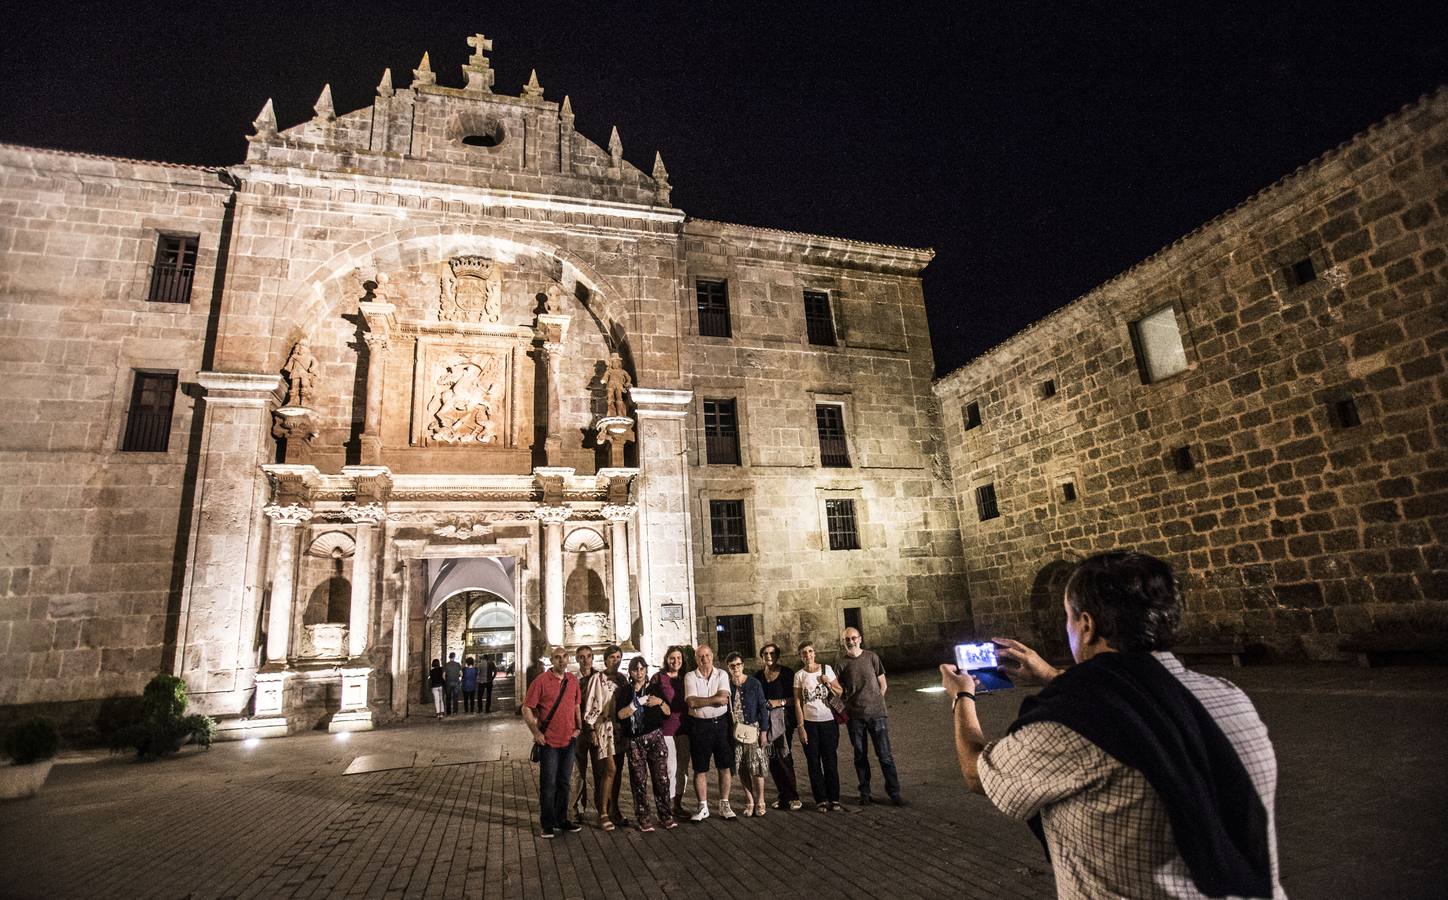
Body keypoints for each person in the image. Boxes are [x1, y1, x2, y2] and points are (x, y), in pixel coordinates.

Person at [940, 551, 1284, 899]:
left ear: (1087, 626)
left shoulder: (1071, 724)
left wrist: (962, 696)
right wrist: (1049, 675)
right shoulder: (1231, 697)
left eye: (1068, 617)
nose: (1068, 626)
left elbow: (975, 771)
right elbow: (1140, 694)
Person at [522, 646, 584, 839]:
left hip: (568, 740)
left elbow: (576, 706)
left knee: (564, 782)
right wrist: (536, 731)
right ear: (551, 660)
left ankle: (562, 819)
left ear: (568, 659)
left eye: (564, 657)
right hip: (549, 741)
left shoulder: (572, 681)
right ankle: (547, 823)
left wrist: (579, 727)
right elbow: (527, 708)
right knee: (548, 783)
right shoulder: (540, 682)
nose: (561, 660)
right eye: (557, 657)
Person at [837, 626, 903, 806]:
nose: (850, 642)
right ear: (844, 642)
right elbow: (838, 689)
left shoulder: (871, 657)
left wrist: (875, 701)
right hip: (854, 716)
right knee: (860, 755)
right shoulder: (841, 663)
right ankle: (864, 792)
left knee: (885, 755)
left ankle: (894, 791)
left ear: (860, 639)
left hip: (877, 714)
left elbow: (883, 683)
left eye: (853, 638)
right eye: (847, 639)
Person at [616, 655, 677, 832]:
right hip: (635, 740)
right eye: (636, 669)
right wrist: (636, 704)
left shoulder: (655, 688)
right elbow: (620, 715)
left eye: (642, 668)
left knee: (662, 778)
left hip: (655, 737)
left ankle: (666, 814)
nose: (639, 672)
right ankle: (643, 817)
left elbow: (667, 711)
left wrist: (659, 701)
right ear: (630, 672)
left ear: (646, 670)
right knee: (639, 779)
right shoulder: (626, 692)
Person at [684, 644, 734, 821]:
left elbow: (724, 699)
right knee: (700, 768)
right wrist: (714, 700)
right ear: (696, 659)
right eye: (700, 656)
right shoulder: (690, 676)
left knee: (724, 765)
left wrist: (702, 700)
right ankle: (703, 807)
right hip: (699, 726)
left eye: (707, 655)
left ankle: (724, 804)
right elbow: (691, 702)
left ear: (712, 656)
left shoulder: (722, 674)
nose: (704, 659)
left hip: (720, 725)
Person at [582, 644, 628, 830]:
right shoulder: (597, 678)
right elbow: (590, 703)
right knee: (609, 770)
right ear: (605, 659)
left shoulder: (623, 679)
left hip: (619, 729)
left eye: (618, 657)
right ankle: (602, 813)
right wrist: (591, 729)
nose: (615, 661)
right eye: (612, 657)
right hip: (604, 727)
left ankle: (614, 810)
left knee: (617, 773)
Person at [793, 640, 843, 811]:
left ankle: (834, 798)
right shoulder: (799, 675)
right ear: (800, 657)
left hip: (828, 721)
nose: (808, 655)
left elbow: (839, 691)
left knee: (830, 759)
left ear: (815, 653)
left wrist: (827, 683)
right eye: (804, 653)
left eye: (810, 651)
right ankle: (820, 799)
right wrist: (801, 727)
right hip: (810, 723)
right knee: (813, 762)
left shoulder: (826, 669)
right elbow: (798, 702)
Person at [754, 642, 801, 810]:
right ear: (762, 656)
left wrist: (778, 702)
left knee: (784, 756)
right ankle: (783, 796)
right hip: (766, 723)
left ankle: (793, 796)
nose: (769, 656)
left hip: (783, 721)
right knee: (772, 758)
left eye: (772, 654)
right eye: (765, 653)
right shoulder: (758, 676)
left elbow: (795, 699)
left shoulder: (787, 673)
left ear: (777, 655)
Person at [726, 651, 770, 817]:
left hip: (753, 729)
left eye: (738, 664)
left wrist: (764, 732)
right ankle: (750, 800)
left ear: (743, 665)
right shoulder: (727, 685)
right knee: (742, 767)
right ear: (728, 668)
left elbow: (762, 708)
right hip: (735, 732)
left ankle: (761, 800)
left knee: (756, 767)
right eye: (732, 665)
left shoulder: (754, 683)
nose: (736, 668)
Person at [653, 645, 691, 818]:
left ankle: (678, 804)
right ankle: (667, 805)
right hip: (666, 728)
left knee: (682, 768)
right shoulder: (658, 678)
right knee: (670, 768)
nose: (676, 661)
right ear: (667, 659)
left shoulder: (688, 677)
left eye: (679, 658)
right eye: (672, 658)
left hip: (684, 728)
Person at [571, 645, 596, 820]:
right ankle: (578, 807)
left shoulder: (599, 677)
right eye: (581, 657)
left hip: (596, 731)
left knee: (600, 770)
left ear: (592, 658)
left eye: (588, 656)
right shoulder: (572, 680)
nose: (585, 660)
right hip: (578, 730)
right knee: (578, 771)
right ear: (577, 659)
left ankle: (604, 807)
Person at [443, 652, 463, 716]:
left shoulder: (446, 665)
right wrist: (458, 677)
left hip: (448, 682)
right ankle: (455, 711)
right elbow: (461, 674)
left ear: (449, 657)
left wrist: (446, 680)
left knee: (448, 698)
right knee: (455, 697)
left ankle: (448, 712)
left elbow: (443, 675)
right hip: (456, 682)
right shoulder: (458, 664)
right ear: (454, 657)